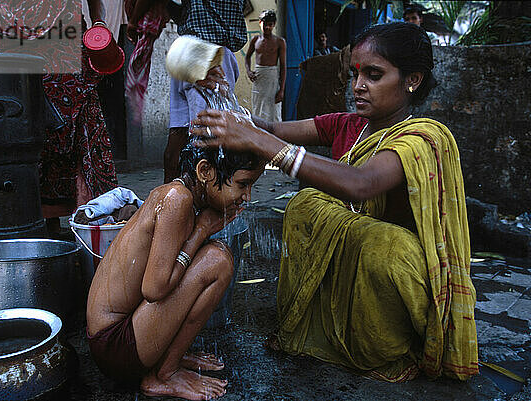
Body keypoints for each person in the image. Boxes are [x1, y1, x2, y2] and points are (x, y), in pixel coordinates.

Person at [192, 22, 478, 382]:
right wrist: (226, 100)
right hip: (354, 270)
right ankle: (328, 328)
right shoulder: (349, 125)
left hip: (397, 279)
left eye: (374, 75)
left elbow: (361, 184)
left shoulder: (420, 140)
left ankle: (386, 347)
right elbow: (271, 129)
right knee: (307, 206)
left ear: (413, 80)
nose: (359, 86)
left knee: (384, 244)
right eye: (356, 74)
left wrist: (261, 142)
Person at [86, 143, 264, 400]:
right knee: (217, 260)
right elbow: (154, 288)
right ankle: (164, 375)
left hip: (124, 335)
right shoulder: (177, 199)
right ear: (205, 171)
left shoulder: (179, 194)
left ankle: (170, 357)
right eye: (242, 184)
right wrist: (201, 231)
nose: (247, 195)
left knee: (216, 255)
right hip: (116, 346)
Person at [0, 0, 118, 237]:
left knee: (80, 136)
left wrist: (99, 23)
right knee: (27, 137)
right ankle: (38, 238)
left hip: (69, 48)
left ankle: (88, 235)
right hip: (17, 42)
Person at [164, 0, 247, 183]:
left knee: (189, 139)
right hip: (204, 51)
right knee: (203, 142)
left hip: (192, 50)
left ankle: (173, 201)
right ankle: (185, 204)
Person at [245, 9, 286, 122]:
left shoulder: (279, 42)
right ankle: (259, 134)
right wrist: (248, 71)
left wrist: (281, 90)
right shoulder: (255, 40)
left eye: (270, 25)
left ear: (274, 25)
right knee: (258, 108)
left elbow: (283, 67)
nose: (267, 27)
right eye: (265, 24)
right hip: (259, 79)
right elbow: (247, 57)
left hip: (272, 78)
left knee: (274, 111)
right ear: (260, 23)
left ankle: (275, 137)